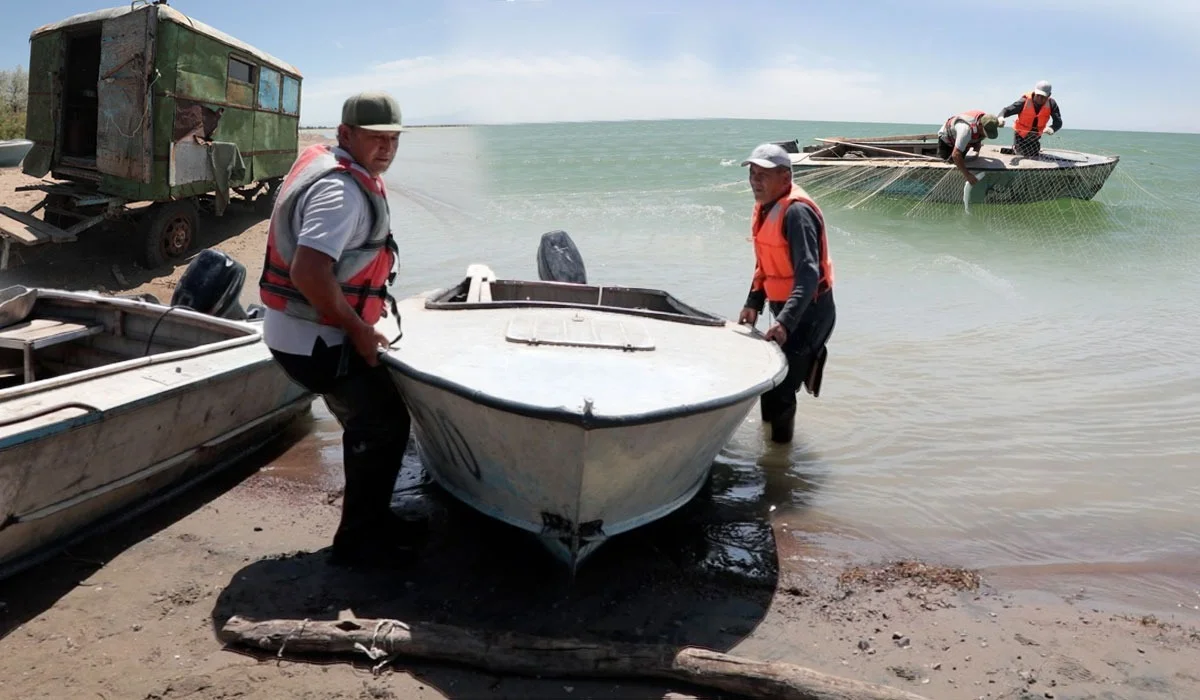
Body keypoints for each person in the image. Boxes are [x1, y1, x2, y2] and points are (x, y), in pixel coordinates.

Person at [258, 91, 422, 569]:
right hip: (312, 340)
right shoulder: (341, 192)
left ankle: (371, 523)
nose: (387, 148)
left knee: (369, 419)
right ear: (346, 135)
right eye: (376, 138)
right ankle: (359, 543)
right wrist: (358, 330)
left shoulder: (331, 164)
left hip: (293, 329)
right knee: (383, 423)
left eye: (393, 139)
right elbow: (309, 272)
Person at [737, 143, 836, 444]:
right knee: (772, 383)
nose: (755, 180)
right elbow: (766, 261)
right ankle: (771, 447)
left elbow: (808, 276)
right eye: (752, 173)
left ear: (785, 177)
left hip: (811, 313)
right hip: (788, 311)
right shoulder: (768, 207)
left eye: (763, 174)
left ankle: (779, 466)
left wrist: (785, 322)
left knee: (780, 387)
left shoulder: (797, 214)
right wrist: (753, 302)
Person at [998, 80, 1063, 157]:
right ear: (1035, 92)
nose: (1039, 98)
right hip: (1021, 135)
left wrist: (1052, 128)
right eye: (1038, 95)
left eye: (1043, 96)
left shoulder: (1052, 104)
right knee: (1022, 155)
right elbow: (1007, 110)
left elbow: (1058, 122)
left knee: (1034, 155)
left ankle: (1025, 150)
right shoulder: (1024, 101)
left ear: (1049, 95)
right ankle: (1015, 149)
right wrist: (1001, 117)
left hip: (1035, 136)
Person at [936, 110, 1002, 186]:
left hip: (965, 139)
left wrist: (977, 144)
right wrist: (967, 175)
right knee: (949, 161)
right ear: (980, 125)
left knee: (963, 162)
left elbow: (980, 133)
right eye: (985, 132)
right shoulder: (965, 130)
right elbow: (956, 155)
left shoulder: (988, 121)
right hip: (947, 138)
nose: (985, 135)